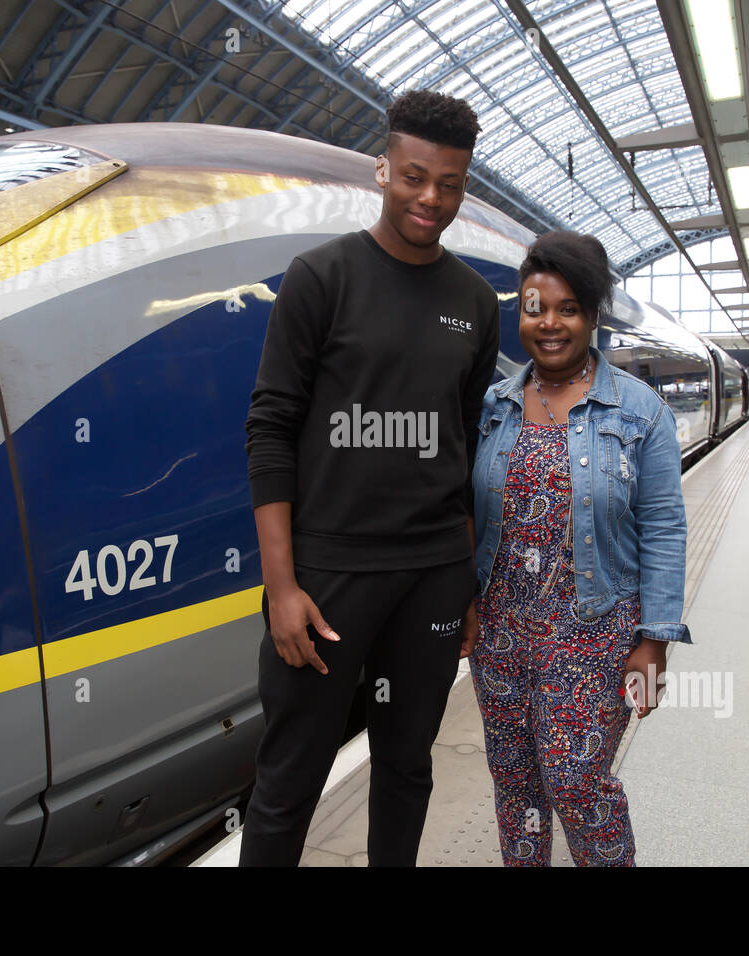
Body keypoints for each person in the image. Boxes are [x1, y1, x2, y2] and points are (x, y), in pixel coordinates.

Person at [240, 89, 500, 866]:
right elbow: (270, 429)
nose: (431, 198)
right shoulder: (321, 278)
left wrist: (468, 585)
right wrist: (282, 587)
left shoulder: (475, 303)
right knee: (289, 780)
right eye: (415, 177)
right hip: (330, 576)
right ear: (381, 169)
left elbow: (460, 447)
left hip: (431, 574)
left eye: (449, 184)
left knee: (406, 767)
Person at [465, 231, 690, 867]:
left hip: (594, 628)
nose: (550, 323)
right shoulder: (495, 407)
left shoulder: (639, 411)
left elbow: (665, 526)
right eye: (535, 307)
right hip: (503, 633)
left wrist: (655, 641)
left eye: (567, 309)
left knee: (577, 784)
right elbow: (467, 510)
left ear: (592, 316)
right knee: (516, 785)